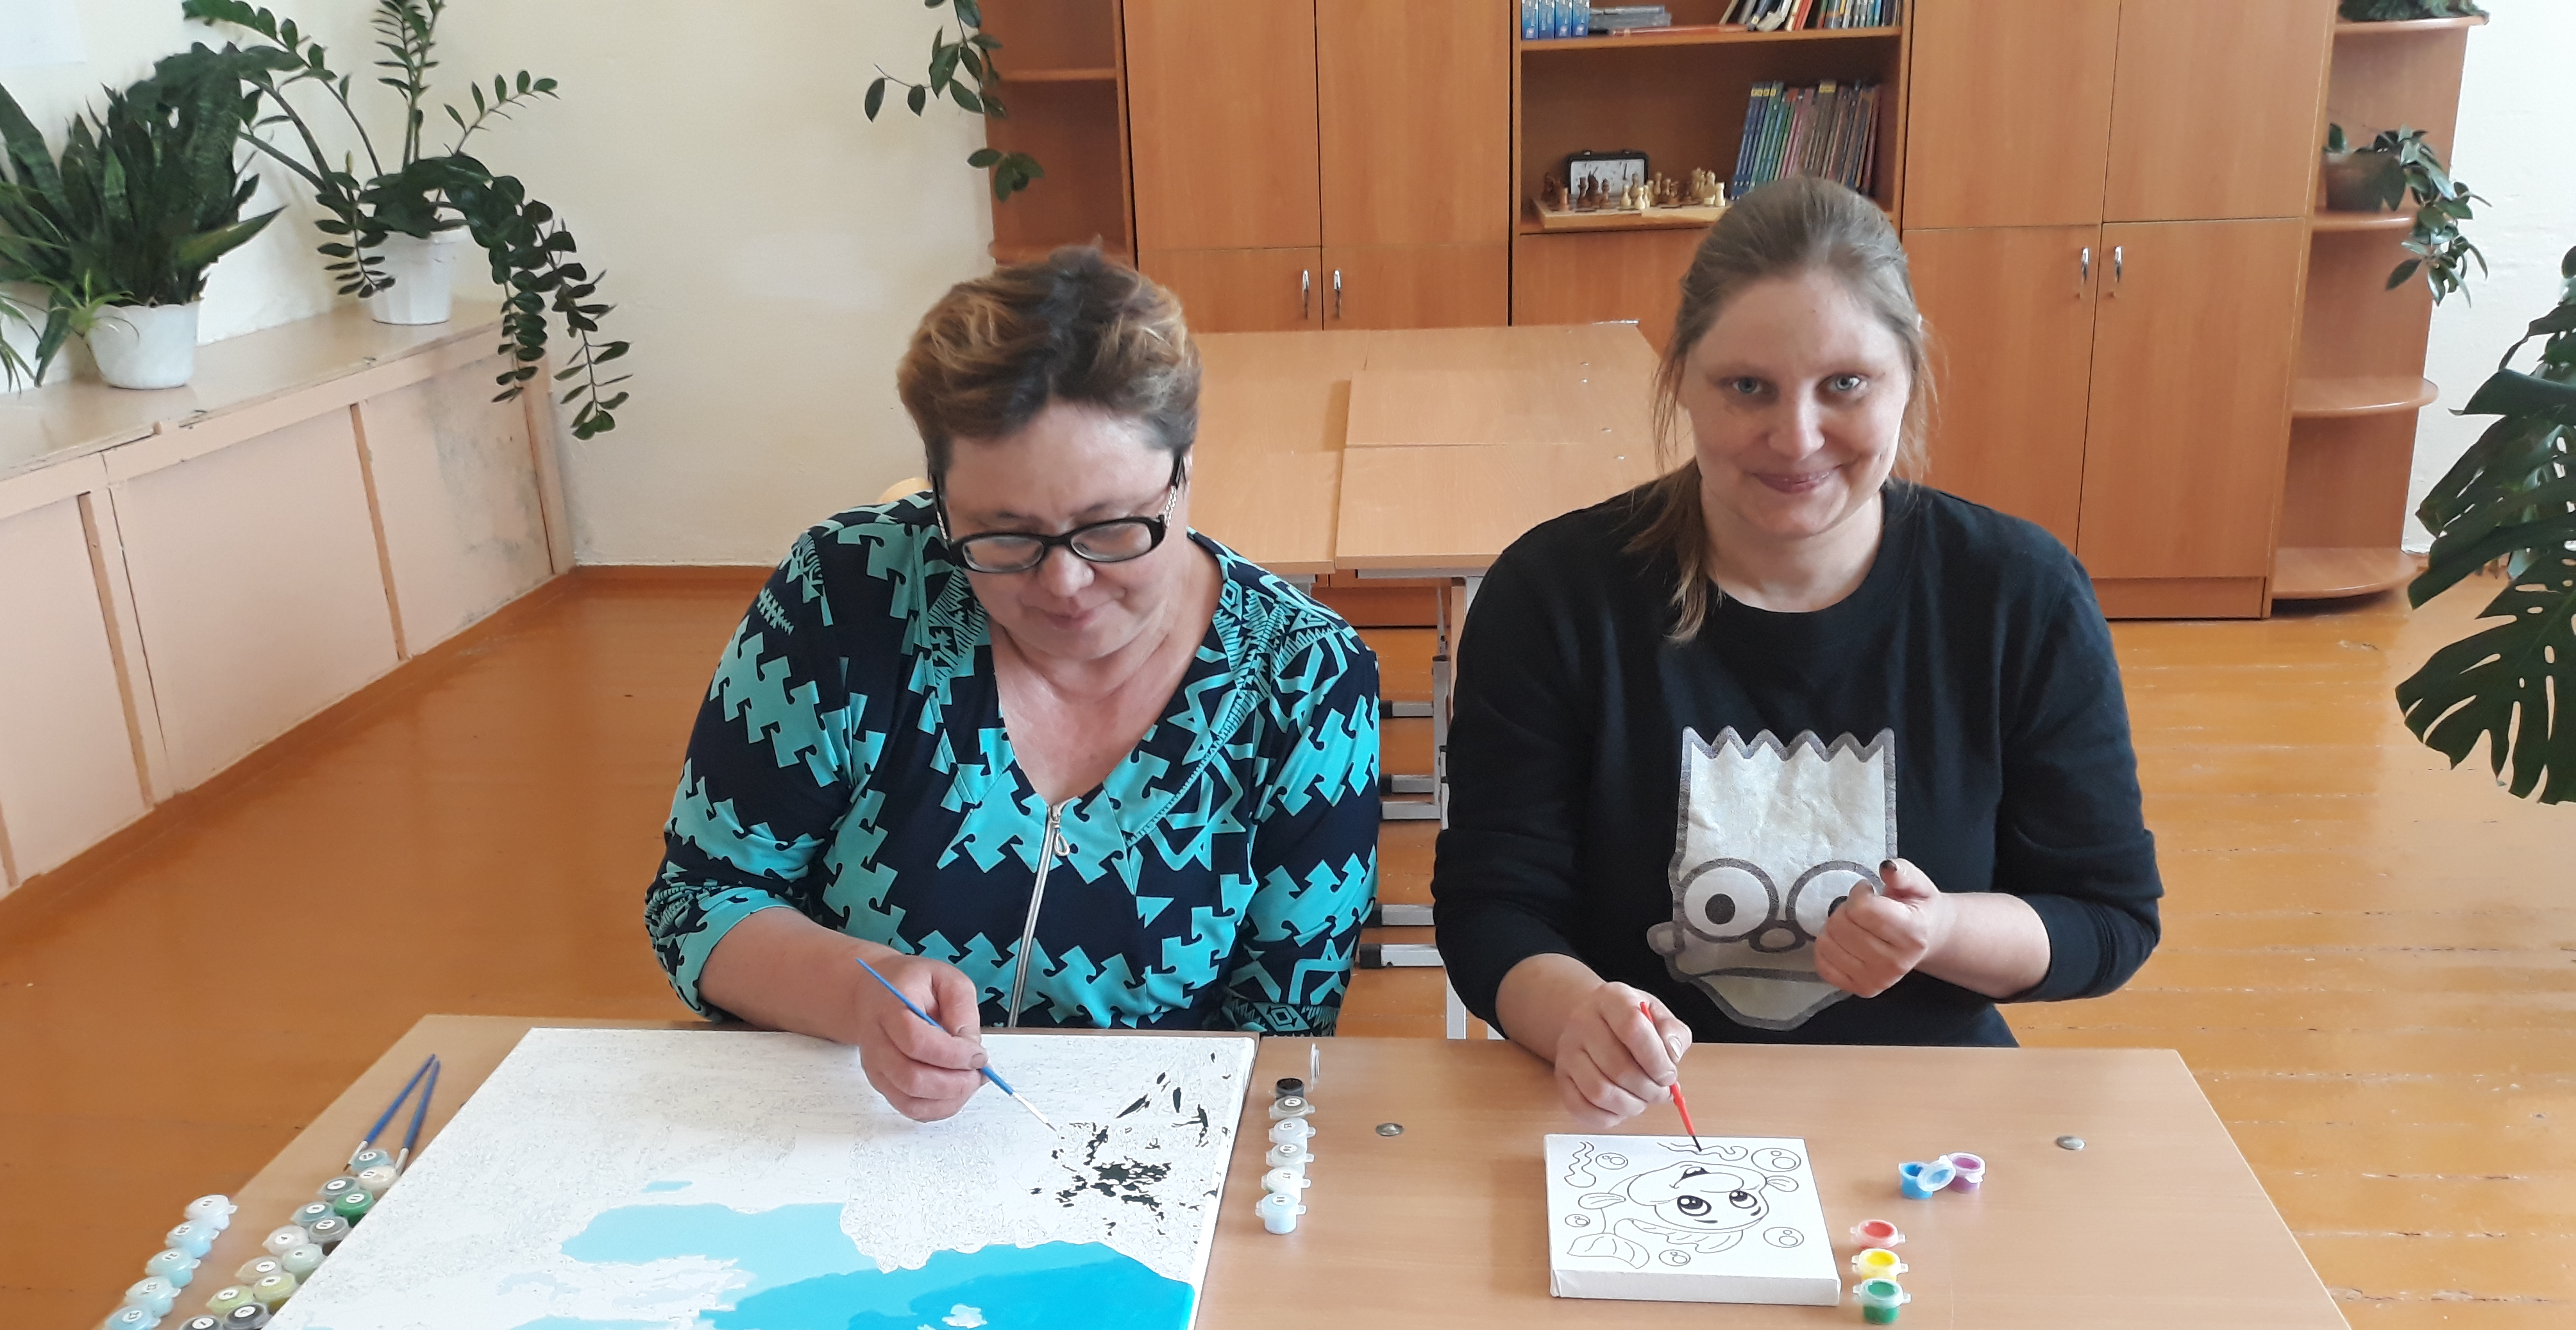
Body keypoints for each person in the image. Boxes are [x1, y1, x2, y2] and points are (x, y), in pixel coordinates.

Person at [1431, 177, 2160, 1126]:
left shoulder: (2019, 594)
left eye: (1845, 384)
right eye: (1748, 387)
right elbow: (1492, 908)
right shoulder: (1555, 595)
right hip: (1639, 1122)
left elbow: (2107, 916)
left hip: (1919, 1120)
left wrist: (1941, 928)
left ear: (1908, 372)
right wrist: (1578, 1017)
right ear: (1682, 377)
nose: (1797, 437)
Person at [645, 247, 1381, 1120]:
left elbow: (1283, 1034)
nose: (1065, 583)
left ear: (1185, 470)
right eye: (1002, 536)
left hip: (1147, 1142)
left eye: (1111, 527)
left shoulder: (1304, 684)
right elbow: (702, 899)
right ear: (941, 499)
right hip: (850, 1124)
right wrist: (856, 990)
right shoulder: (846, 601)